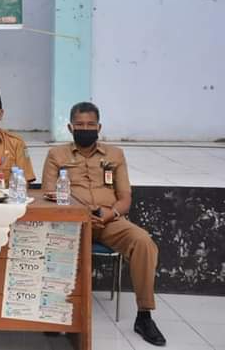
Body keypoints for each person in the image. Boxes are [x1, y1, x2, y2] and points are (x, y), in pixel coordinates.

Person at [41, 102, 166, 347]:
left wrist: (110, 213)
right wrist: (79, 212)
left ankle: (144, 316)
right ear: (70, 127)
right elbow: (48, 194)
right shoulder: (56, 155)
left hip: (109, 220)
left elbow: (125, 198)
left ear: (99, 127)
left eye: (90, 125)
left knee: (143, 242)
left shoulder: (115, 155)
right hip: (73, 222)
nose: (85, 129)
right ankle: (55, 312)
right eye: (79, 125)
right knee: (53, 242)